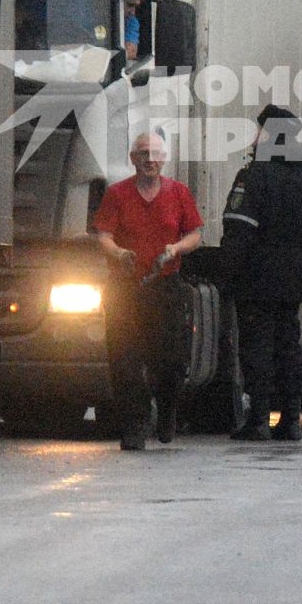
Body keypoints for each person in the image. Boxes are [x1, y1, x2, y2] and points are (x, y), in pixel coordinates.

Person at [219, 105, 302, 442]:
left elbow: (239, 233)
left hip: (257, 280)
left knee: (257, 348)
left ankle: (258, 420)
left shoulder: (254, 177)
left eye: (259, 131)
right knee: (288, 346)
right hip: (294, 281)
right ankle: (291, 420)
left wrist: (227, 275)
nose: (255, 137)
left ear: (269, 135)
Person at [91, 131, 203, 451]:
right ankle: (134, 425)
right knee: (125, 359)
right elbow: (103, 236)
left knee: (169, 360)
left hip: (165, 288)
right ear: (132, 159)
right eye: (142, 153)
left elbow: (195, 234)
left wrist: (176, 248)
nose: (149, 159)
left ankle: (167, 409)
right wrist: (119, 254)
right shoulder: (117, 194)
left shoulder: (179, 193)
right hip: (125, 289)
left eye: (154, 153)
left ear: (164, 158)